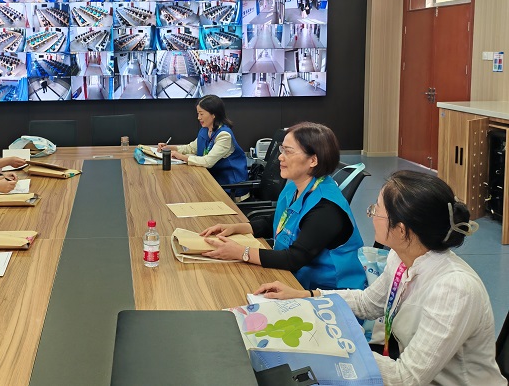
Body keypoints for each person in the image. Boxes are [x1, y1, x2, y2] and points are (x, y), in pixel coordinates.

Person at [256, 171, 506, 386]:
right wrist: (308, 296)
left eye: (377, 209)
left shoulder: (454, 289)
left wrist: (333, 344)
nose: (371, 214)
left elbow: (405, 378)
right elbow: (368, 303)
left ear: (402, 230)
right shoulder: (401, 257)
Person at [199, 122, 366, 291]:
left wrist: (241, 252)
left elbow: (294, 259)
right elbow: (277, 220)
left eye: (288, 151)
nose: (280, 157)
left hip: (329, 293)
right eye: (282, 149)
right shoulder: (294, 186)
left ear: (313, 160)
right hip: (295, 278)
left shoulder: (326, 208)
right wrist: (236, 228)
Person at [157, 94, 247, 186]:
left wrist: (181, 156)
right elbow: (191, 148)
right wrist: (168, 148)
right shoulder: (205, 129)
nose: (198, 117)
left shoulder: (224, 135)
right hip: (211, 179)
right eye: (198, 114)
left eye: (201, 114)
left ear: (214, 114)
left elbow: (207, 162)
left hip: (230, 185)